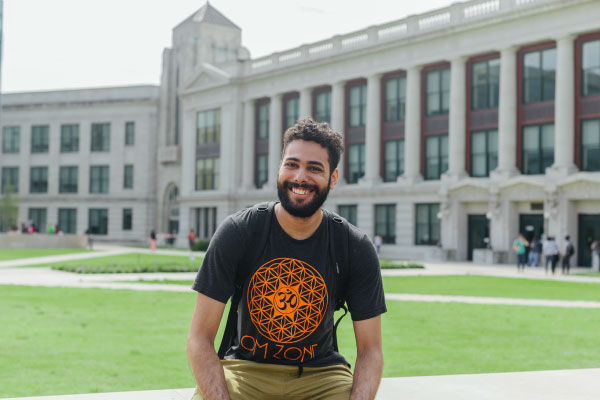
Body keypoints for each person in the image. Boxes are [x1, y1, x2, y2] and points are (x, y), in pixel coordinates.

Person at [187, 118, 386, 400]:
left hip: (322, 376)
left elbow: (370, 349)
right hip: (245, 371)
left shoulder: (353, 246)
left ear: (333, 178)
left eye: (314, 168)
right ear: (279, 168)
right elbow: (199, 339)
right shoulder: (239, 231)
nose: (300, 177)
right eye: (291, 164)